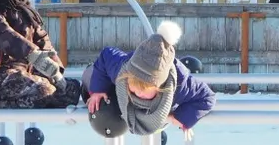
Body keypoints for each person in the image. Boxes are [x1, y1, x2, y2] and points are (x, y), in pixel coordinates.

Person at [85, 21, 216, 135]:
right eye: (134, 88)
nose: (138, 93)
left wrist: (181, 117)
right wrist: (98, 90)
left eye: (144, 90)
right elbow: (106, 55)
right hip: (132, 65)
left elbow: (207, 98)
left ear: (160, 86)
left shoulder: (180, 86)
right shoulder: (121, 70)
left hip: (161, 106)